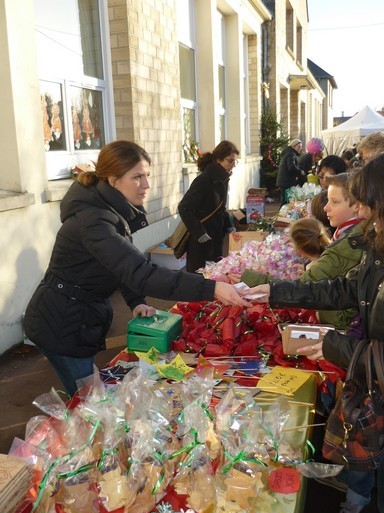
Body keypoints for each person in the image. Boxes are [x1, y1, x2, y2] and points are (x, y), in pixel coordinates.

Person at [239, 149, 384, 513]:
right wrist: (276, 291)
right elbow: (346, 288)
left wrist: (334, 345)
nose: (364, 214)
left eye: (369, 206)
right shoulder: (382, 247)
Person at [24, 141, 249, 396]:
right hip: (61, 323)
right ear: (113, 179)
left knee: (93, 395)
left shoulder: (109, 211)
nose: (146, 185)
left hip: (78, 317)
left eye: (147, 176)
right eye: (137, 177)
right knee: (89, 402)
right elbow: (140, 272)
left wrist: (136, 301)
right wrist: (212, 288)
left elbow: (121, 264)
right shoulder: (95, 220)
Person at [240, 172, 365, 330]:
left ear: (357, 205)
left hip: (344, 327)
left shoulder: (349, 244)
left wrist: (253, 279)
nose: (326, 207)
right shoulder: (349, 235)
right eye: (328, 201)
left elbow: (305, 287)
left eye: (334, 202)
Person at [178, 140, 239, 273]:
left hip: (215, 237)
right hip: (201, 240)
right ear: (218, 159)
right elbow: (184, 207)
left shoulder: (223, 178)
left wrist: (229, 225)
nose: (233, 165)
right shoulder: (204, 180)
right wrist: (199, 233)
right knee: (199, 276)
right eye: (230, 161)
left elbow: (221, 208)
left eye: (235, 162)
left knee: (214, 274)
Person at [276, 139, 306, 206]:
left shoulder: (288, 153)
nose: (300, 148)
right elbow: (291, 167)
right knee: (286, 201)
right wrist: (300, 171)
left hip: (284, 181)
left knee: (286, 200)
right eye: (298, 146)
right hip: (287, 181)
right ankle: (280, 215)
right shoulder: (291, 154)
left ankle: (282, 214)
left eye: (300, 147)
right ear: (293, 146)